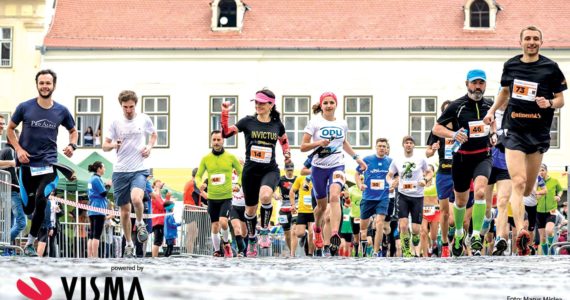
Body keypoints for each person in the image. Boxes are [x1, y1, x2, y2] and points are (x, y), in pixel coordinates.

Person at [484, 25, 566, 255]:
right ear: (520, 42)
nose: (531, 42)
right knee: (518, 182)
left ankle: (524, 227)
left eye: (535, 39)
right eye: (527, 38)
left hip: (538, 133)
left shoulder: (551, 68)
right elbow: (504, 92)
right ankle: (521, 230)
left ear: (541, 42)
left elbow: (560, 100)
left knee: (528, 187)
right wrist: (492, 111)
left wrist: (549, 103)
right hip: (514, 131)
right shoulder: (511, 65)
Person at [7, 69, 78, 257]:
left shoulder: (61, 111)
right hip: (26, 166)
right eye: (41, 83)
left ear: (54, 85)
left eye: (48, 83)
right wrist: (19, 150)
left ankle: (30, 243)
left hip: (48, 164)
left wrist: (72, 145)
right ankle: (28, 238)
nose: (45, 86)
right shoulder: (25, 107)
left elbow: (73, 131)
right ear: (37, 84)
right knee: (28, 207)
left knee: (41, 200)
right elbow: (10, 129)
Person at [221, 89, 291, 257]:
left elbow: (284, 140)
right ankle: (252, 238)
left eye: (262, 102)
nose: (258, 105)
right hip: (250, 171)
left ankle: (265, 231)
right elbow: (226, 133)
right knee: (250, 211)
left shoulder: (277, 124)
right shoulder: (248, 121)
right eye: (256, 102)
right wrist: (224, 114)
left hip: (270, 169)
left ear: (271, 104)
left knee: (266, 196)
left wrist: (287, 154)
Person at [433, 69, 496, 256]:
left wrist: (493, 133)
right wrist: (453, 134)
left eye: (481, 83)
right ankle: (459, 233)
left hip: (483, 156)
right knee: (460, 201)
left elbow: (493, 121)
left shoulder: (490, 105)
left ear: (485, 85)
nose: (478, 87)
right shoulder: (456, 106)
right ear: (467, 84)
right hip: (461, 158)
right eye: (474, 83)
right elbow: (436, 128)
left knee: (481, 191)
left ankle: (476, 235)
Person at [300, 92, 366, 253]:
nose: (329, 105)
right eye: (326, 103)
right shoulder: (314, 123)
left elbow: (343, 142)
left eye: (332, 102)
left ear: (336, 105)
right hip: (318, 168)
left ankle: (335, 233)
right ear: (321, 105)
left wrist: (357, 158)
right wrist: (319, 142)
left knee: (335, 194)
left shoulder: (342, 123)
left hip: (337, 165)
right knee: (321, 207)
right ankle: (316, 228)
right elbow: (303, 146)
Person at [102, 90, 157, 258]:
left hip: (139, 168)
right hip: (120, 171)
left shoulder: (144, 118)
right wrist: (113, 145)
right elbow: (104, 145)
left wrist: (149, 147)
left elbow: (154, 135)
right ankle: (129, 244)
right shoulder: (115, 122)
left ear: (136, 105)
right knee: (124, 211)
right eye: (125, 107)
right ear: (121, 106)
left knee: (136, 199)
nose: (128, 110)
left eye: (131, 106)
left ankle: (140, 223)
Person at [195, 130, 243, 257]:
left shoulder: (230, 157)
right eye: (214, 140)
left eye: (218, 140)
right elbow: (198, 176)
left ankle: (226, 243)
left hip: (226, 196)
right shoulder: (206, 158)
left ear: (223, 140)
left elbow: (241, 172)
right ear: (211, 141)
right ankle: (217, 250)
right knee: (215, 226)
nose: (216, 142)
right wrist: (201, 184)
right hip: (212, 198)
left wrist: (238, 184)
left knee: (223, 222)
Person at [387, 136, 432, 257]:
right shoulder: (397, 160)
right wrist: (391, 183)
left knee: (416, 229)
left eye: (411, 143)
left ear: (413, 145)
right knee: (403, 224)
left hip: (417, 196)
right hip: (403, 195)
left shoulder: (420, 159)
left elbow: (430, 172)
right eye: (406, 143)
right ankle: (406, 251)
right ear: (403, 145)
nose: (408, 145)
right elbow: (389, 175)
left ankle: (415, 236)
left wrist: (425, 179)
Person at [355, 138, 392, 257]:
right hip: (368, 197)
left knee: (380, 223)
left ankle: (376, 252)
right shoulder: (367, 160)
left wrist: (393, 183)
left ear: (387, 149)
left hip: (383, 197)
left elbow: (397, 176)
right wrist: (360, 184)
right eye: (380, 146)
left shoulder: (391, 162)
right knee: (363, 228)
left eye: (384, 146)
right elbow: (357, 173)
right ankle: (365, 251)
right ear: (376, 147)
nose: (382, 148)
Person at [426, 100, 453, 257]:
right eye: (446, 111)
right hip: (443, 173)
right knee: (444, 212)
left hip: (460, 172)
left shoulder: (460, 128)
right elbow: (427, 153)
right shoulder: (437, 131)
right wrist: (433, 149)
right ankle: (444, 244)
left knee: (455, 217)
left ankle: (455, 234)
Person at [0, 124, 26, 252]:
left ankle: (6, 251)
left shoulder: (3, 150)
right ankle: (3, 247)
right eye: (18, 137)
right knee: (21, 223)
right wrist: (20, 187)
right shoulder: (10, 151)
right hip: (12, 191)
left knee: (9, 223)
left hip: (6, 192)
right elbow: (12, 173)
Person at [536, 164, 563, 255]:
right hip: (539, 211)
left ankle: (551, 247)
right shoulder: (536, 182)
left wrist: (558, 196)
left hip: (551, 210)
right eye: (539, 171)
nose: (541, 172)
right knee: (542, 237)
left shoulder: (554, 181)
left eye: (543, 170)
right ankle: (546, 255)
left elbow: (560, 189)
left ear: (546, 171)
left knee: (549, 230)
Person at [87, 161, 111, 258]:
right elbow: (103, 193)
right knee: (96, 235)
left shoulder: (91, 179)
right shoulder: (97, 179)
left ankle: (90, 256)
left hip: (92, 208)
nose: (105, 169)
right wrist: (108, 185)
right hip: (99, 208)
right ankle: (95, 256)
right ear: (99, 169)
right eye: (103, 167)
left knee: (92, 234)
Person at [275, 162, 297, 254]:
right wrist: (275, 195)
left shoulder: (297, 179)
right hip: (284, 209)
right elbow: (272, 189)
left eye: (291, 170)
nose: (290, 172)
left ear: (293, 170)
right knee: (287, 234)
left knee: (294, 231)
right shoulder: (281, 179)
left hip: (295, 208)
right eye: (288, 170)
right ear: (284, 170)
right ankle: (291, 251)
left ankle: (292, 253)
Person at [151, 179, 165, 257]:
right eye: (158, 183)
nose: (160, 184)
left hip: (158, 220)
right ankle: (154, 257)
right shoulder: (155, 195)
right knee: (157, 241)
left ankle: (154, 257)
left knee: (158, 241)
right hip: (157, 221)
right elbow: (161, 206)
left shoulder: (157, 195)